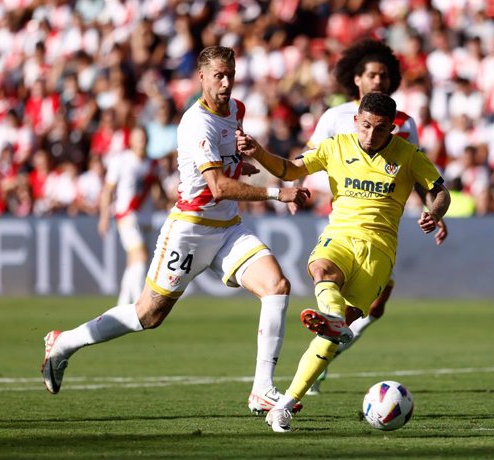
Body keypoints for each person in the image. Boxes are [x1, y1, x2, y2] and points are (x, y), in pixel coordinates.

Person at [41, 46, 310, 417]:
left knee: (277, 286)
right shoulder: (195, 123)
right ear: (201, 77)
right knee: (148, 315)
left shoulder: (237, 110)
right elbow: (216, 186)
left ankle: (262, 390)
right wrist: (278, 193)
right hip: (191, 229)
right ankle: (63, 343)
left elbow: (226, 169)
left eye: (230, 74)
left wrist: (241, 167)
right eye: (219, 75)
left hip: (228, 228)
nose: (227, 83)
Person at [236, 92, 451, 432]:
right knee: (321, 268)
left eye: (379, 130)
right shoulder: (336, 147)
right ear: (356, 122)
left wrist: (434, 212)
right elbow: (291, 169)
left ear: (391, 129)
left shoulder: (408, 155)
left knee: (329, 339)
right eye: (365, 126)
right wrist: (258, 151)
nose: (370, 135)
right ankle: (334, 317)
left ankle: (287, 403)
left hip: (378, 254)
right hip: (339, 237)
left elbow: (440, 190)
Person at [301, 38, 448, 395]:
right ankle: (322, 354)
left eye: (384, 75)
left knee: (375, 308)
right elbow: (308, 159)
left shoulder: (404, 123)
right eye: (371, 75)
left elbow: (410, 171)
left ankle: (326, 348)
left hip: (381, 218)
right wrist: (298, 192)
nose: (378, 81)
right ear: (356, 79)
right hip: (341, 212)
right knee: (344, 288)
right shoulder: (335, 117)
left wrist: (435, 210)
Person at [98, 126, 161, 306]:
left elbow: (157, 188)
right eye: (137, 138)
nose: (141, 142)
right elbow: (108, 190)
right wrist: (104, 217)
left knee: (135, 260)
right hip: (127, 215)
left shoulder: (152, 163)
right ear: (131, 141)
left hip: (146, 216)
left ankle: (123, 303)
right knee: (140, 257)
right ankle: (139, 303)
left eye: (143, 138)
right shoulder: (121, 161)